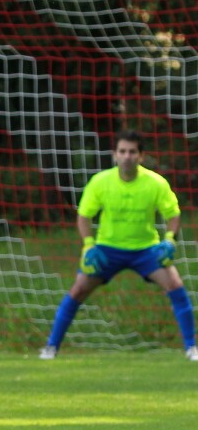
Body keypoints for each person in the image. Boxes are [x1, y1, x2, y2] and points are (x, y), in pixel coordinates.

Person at [39, 129, 196, 360]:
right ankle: (51, 347)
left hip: (146, 249)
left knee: (175, 285)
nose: (127, 157)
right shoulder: (100, 182)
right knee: (79, 288)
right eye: (122, 151)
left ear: (141, 156)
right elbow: (84, 216)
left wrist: (170, 240)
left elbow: (173, 214)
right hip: (107, 250)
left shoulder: (155, 183)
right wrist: (89, 246)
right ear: (114, 154)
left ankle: (192, 348)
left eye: (132, 152)